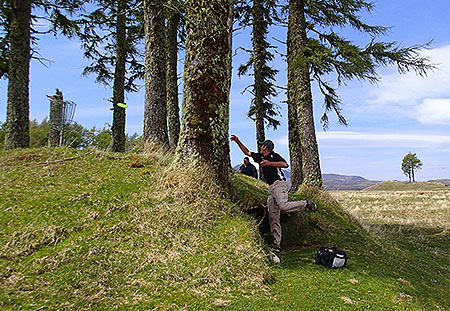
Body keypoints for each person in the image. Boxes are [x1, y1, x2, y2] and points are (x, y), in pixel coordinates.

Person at [230, 134, 317, 255]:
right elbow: (247, 151)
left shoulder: (273, 156)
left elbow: (285, 164)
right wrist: (237, 141)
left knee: (283, 206)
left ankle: (306, 203)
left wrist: (269, 163)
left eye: (262, 145)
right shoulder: (259, 157)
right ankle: (276, 244)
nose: (260, 146)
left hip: (279, 184)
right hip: (271, 188)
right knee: (273, 216)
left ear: (265, 147)